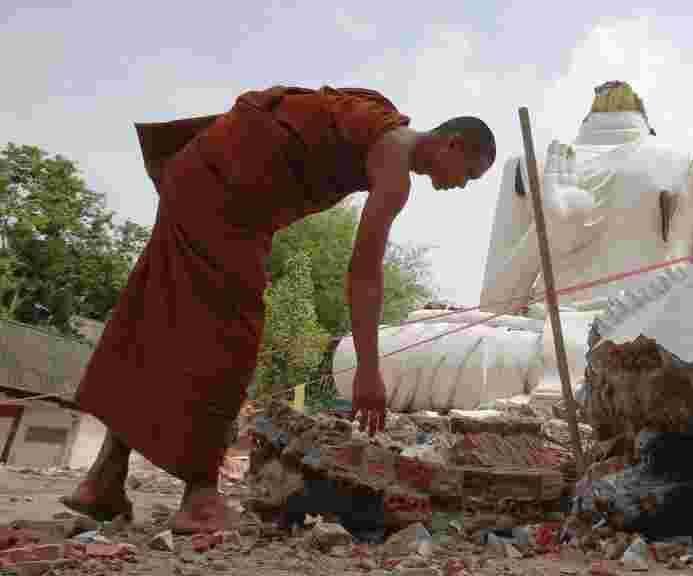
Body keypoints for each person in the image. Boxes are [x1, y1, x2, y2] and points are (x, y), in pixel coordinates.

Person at [60, 85, 496, 533]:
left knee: (162, 319)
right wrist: (368, 370)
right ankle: (200, 497)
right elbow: (363, 272)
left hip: (196, 171)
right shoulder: (392, 162)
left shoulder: (380, 122)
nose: (462, 184)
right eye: (469, 173)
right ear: (452, 144)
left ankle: (103, 480)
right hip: (224, 199)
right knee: (230, 337)